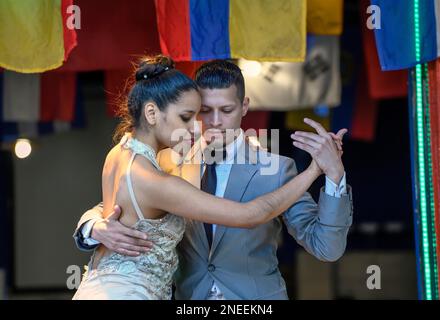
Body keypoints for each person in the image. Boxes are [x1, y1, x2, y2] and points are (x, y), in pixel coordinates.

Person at [74, 59, 352, 300]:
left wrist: (334, 176)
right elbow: (123, 203)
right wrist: (93, 227)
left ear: (244, 106)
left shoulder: (276, 169)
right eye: (204, 111)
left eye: (226, 110)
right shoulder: (167, 160)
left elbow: (327, 248)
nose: (215, 121)